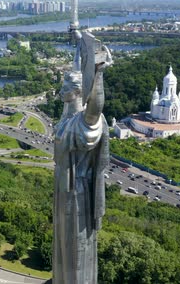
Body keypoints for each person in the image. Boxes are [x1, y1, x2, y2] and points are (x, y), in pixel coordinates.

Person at [53, 29, 112, 284]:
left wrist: (97, 74)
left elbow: (96, 107)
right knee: (62, 249)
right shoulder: (67, 119)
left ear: (77, 91)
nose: (62, 87)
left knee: (77, 253)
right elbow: (80, 65)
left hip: (77, 195)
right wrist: (81, 46)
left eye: (67, 83)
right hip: (62, 191)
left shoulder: (83, 124)